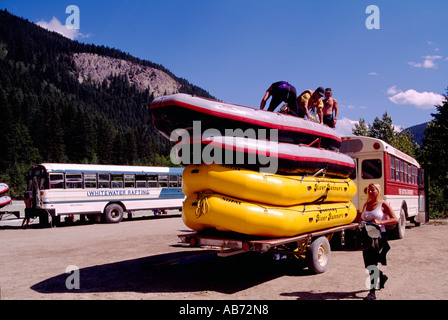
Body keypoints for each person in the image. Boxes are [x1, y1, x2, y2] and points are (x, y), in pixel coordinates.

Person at [361, 183, 399, 300]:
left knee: (372, 265)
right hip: (366, 237)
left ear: (378, 191)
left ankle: (372, 292)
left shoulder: (383, 204)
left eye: (373, 190)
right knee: (368, 265)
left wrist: (380, 223)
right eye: (369, 190)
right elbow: (362, 218)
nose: (371, 192)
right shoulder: (366, 204)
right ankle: (382, 277)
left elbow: (395, 219)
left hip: (379, 237)